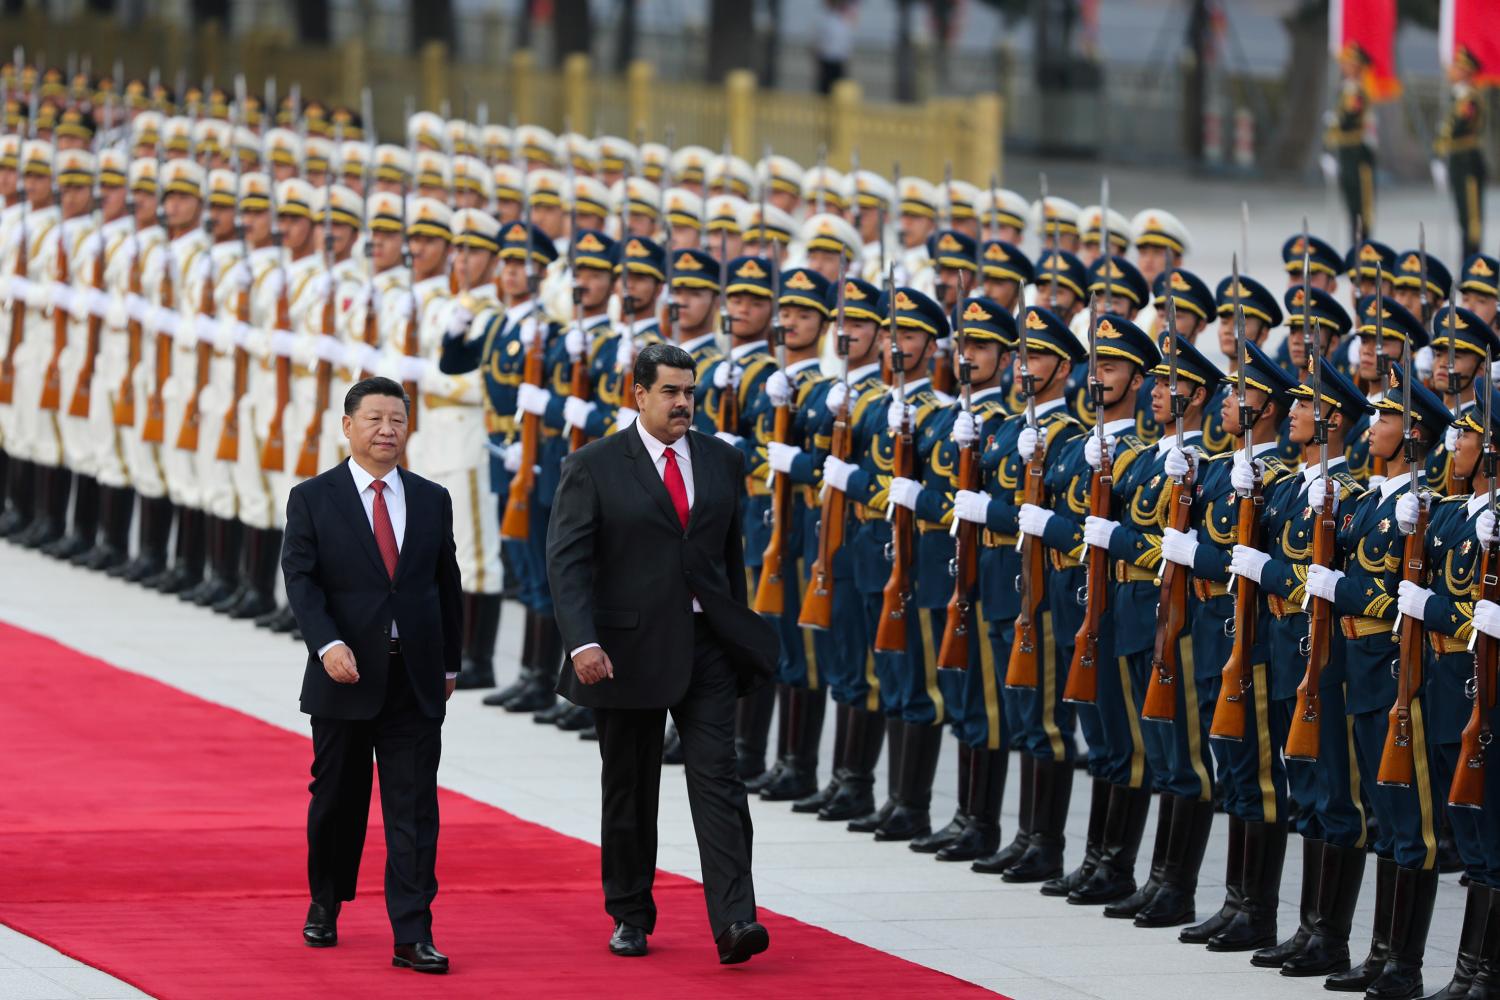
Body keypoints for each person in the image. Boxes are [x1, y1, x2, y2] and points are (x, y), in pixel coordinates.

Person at [546, 341, 779, 963]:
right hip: (623, 650)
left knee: (720, 781)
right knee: (629, 785)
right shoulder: (593, 465)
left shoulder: (722, 462)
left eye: (690, 392)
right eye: (671, 392)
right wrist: (582, 641)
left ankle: (735, 921)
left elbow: (728, 561)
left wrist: (733, 629)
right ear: (638, 394)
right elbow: (566, 563)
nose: (683, 404)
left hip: (706, 647)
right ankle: (629, 913)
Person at [282, 376, 463, 975]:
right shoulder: (313, 497)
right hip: (345, 676)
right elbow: (301, 581)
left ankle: (413, 934)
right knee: (337, 800)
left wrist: (450, 663)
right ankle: (326, 900)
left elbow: (446, 586)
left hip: (412, 679)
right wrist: (326, 643)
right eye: (375, 419)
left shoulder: (432, 498)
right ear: (348, 426)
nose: (387, 430)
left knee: (414, 809)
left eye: (398, 420)